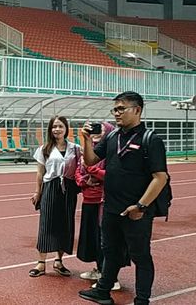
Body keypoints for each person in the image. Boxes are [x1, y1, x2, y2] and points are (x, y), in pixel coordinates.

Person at [79, 92, 168, 305]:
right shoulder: (112, 137)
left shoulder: (150, 139)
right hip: (111, 207)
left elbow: (160, 177)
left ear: (137, 110)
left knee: (140, 256)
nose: (117, 113)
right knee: (110, 252)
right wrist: (86, 139)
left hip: (136, 211)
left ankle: (142, 300)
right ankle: (103, 291)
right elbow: (91, 160)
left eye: (121, 109)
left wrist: (140, 206)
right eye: (115, 109)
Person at [28, 116, 80, 278]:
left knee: (66, 224)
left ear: (66, 129)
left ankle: (59, 260)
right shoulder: (45, 149)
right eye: (54, 127)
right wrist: (38, 191)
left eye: (60, 126)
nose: (57, 129)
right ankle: (41, 263)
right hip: (50, 187)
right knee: (47, 223)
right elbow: (40, 173)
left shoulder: (76, 148)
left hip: (69, 189)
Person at [75, 122, 124, 291]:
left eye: (102, 130)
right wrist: (84, 180)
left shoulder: (111, 151)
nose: (97, 132)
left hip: (103, 201)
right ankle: (99, 270)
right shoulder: (88, 151)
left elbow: (110, 174)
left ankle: (111, 277)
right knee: (94, 239)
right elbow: (79, 170)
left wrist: (93, 171)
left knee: (106, 241)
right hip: (88, 200)